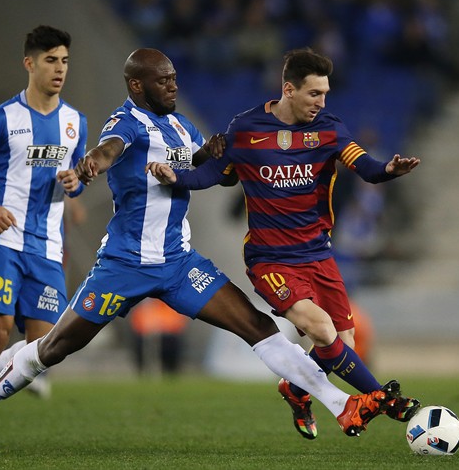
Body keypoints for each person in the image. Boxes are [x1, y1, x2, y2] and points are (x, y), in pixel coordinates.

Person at [0, 48, 408, 453]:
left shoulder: (183, 128)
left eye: (174, 78)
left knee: (260, 328)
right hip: (123, 265)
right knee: (54, 348)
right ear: (136, 85)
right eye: (162, 80)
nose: (172, 86)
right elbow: (111, 149)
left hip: (179, 263)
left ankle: (342, 406)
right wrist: (90, 166)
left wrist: (216, 158)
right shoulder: (127, 121)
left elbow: (198, 169)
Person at [146, 47, 421, 440]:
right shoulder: (246, 129)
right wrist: (173, 176)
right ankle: (382, 398)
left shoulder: (328, 129)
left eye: (325, 94)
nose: (321, 102)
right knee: (321, 329)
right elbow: (210, 175)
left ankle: (295, 388)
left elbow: (366, 168)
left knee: (345, 341)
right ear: (289, 90)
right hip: (269, 259)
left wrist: (389, 170)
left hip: (317, 253)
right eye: (314, 94)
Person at [0, 25, 87, 449]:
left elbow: (79, 177)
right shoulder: (0, 118)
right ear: (30, 63)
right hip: (2, 240)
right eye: (50, 60)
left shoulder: (74, 122)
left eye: (64, 60)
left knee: (44, 349)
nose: (59, 69)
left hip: (47, 246)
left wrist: (75, 183)